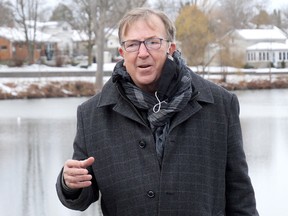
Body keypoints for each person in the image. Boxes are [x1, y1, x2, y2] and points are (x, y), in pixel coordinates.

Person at [56, 7, 258, 216]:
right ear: (122, 53)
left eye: (153, 42)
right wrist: (69, 183)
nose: (143, 53)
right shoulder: (92, 115)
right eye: (133, 44)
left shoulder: (220, 105)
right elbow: (81, 197)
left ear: (170, 48)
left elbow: (240, 195)